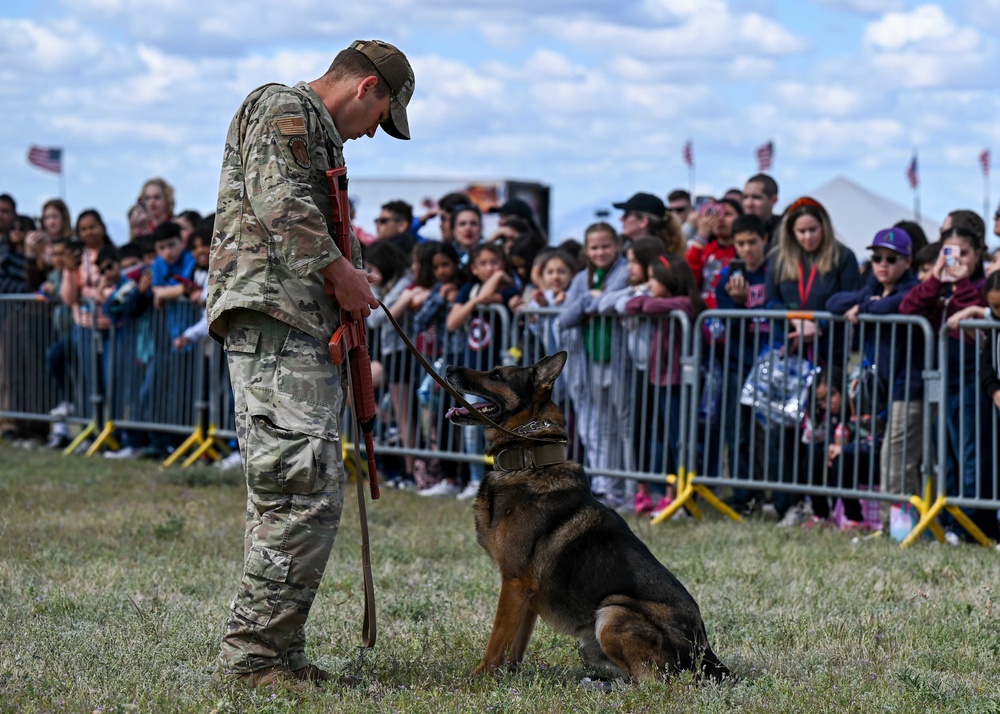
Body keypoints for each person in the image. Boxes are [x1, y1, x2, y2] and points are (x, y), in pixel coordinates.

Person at [206, 38, 413, 687]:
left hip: (297, 321)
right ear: (368, 88)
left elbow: (307, 212)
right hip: (277, 318)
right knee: (299, 487)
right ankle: (257, 658)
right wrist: (338, 271)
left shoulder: (319, 135)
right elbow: (282, 206)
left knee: (300, 486)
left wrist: (348, 269)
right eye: (382, 117)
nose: (375, 132)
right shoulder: (281, 107)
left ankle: (276, 651)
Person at [764, 196, 862, 526]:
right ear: (790, 232)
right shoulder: (778, 260)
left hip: (828, 359)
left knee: (821, 433)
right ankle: (788, 504)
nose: (807, 237)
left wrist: (819, 325)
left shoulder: (843, 258)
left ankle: (823, 508)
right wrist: (794, 319)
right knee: (785, 433)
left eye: (813, 230)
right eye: (801, 231)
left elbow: (851, 300)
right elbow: (770, 301)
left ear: (824, 227)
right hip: (790, 361)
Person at [901, 223, 991, 544]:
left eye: (964, 253)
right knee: (944, 454)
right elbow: (908, 307)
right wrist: (937, 278)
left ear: (978, 253)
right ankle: (951, 519)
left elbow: (980, 314)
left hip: (971, 379)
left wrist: (962, 281)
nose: (957, 259)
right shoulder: (938, 284)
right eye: (949, 252)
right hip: (942, 377)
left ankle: (972, 523)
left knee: (970, 452)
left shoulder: (983, 284)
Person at [825, 227, 919, 530]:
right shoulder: (871, 288)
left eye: (891, 258)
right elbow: (833, 303)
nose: (882, 264)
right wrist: (866, 303)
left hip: (906, 387)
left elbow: (894, 305)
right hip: (877, 391)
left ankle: (903, 527)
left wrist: (864, 308)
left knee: (898, 458)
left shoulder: (910, 290)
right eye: (877, 257)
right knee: (881, 456)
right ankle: (886, 524)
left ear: (907, 261)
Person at [560, 222, 630, 508]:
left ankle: (626, 486)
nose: (600, 252)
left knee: (620, 424)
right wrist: (590, 301)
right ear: (586, 250)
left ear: (616, 246)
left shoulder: (624, 272)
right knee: (595, 425)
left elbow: (600, 306)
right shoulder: (580, 279)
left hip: (617, 359)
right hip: (586, 361)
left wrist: (588, 305)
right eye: (594, 247)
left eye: (605, 246)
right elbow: (565, 317)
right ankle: (603, 484)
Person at [714, 214, 770, 514]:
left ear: (765, 240)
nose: (746, 249)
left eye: (752, 242)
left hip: (769, 363)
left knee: (770, 435)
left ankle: (773, 494)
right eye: (740, 243)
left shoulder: (773, 273)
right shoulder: (727, 278)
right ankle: (743, 495)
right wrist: (736, 303)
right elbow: (725, 324)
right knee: (739, 433)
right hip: (738, 363)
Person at [686, 197, 743, 308]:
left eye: (727, 214)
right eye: (715, 213)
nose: (720, 218)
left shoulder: (747, 248)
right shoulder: (704, 248)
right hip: (705, 317)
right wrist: (701, 237)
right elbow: (689, 279)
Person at [613, 192, 685, 254]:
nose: (621, 218)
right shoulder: (624, 252)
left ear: (643, 221)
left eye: (626, 214)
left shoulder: (658, 262)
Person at [741, 173, 781, 241]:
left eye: (756, 197)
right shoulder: (734, 229)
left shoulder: (785, 231)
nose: (749, 204)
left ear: (773, 200)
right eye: (745, 197)